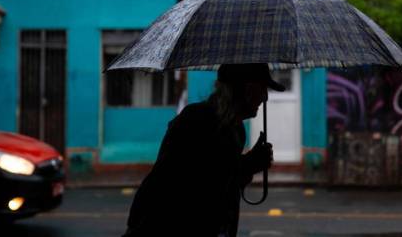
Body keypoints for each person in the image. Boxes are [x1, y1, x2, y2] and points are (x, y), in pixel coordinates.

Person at [122, 63, 285, 237]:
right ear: (249, 91)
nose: (265, 97)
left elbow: (228, 184)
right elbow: (193, 188)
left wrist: (249, 165)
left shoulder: (236, 129)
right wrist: (248, 164)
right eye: (263, 90)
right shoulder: (195, 121)